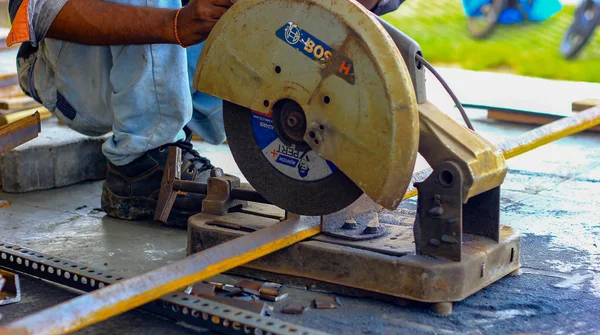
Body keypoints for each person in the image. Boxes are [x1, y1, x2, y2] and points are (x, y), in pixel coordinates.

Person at [7, 0, 404, 225]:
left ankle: (165, 123)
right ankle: (140, 166)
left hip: (165, 61)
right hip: (71, 73)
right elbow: (41, 12)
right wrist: (176, 23)